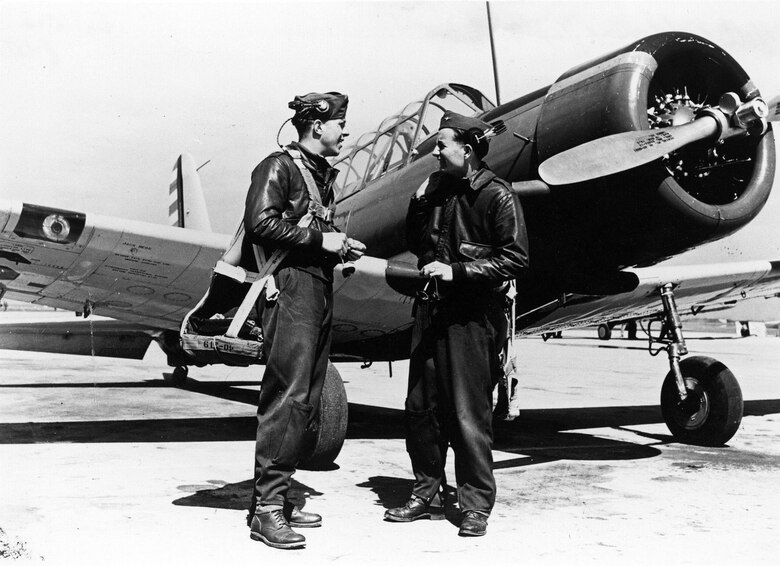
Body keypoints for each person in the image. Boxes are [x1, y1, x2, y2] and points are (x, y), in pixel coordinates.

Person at [385, 110, 529, 537]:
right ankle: (425, 490)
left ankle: (474, 505)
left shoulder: (498, 195)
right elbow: (416, 241)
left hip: (472, 319)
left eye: (441, 145)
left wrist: (459, 272)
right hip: (432, 313)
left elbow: (516, 259)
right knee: (421, 411)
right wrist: (418, 199)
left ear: (466, 151)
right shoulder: (437, 190)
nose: (435, 151)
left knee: (468, 414)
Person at [243, 91, 365, 550]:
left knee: (309, 398)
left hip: (316, 287)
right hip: (290, 287)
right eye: (340, 123)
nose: (345, 131)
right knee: (289, 396)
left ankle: (281, 493)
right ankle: (267, 510)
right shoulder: (278, 166)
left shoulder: (316, 174)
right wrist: (322, 241)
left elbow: (302, 230)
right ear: (317, 126)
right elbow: (260, 224)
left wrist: (335, 245)